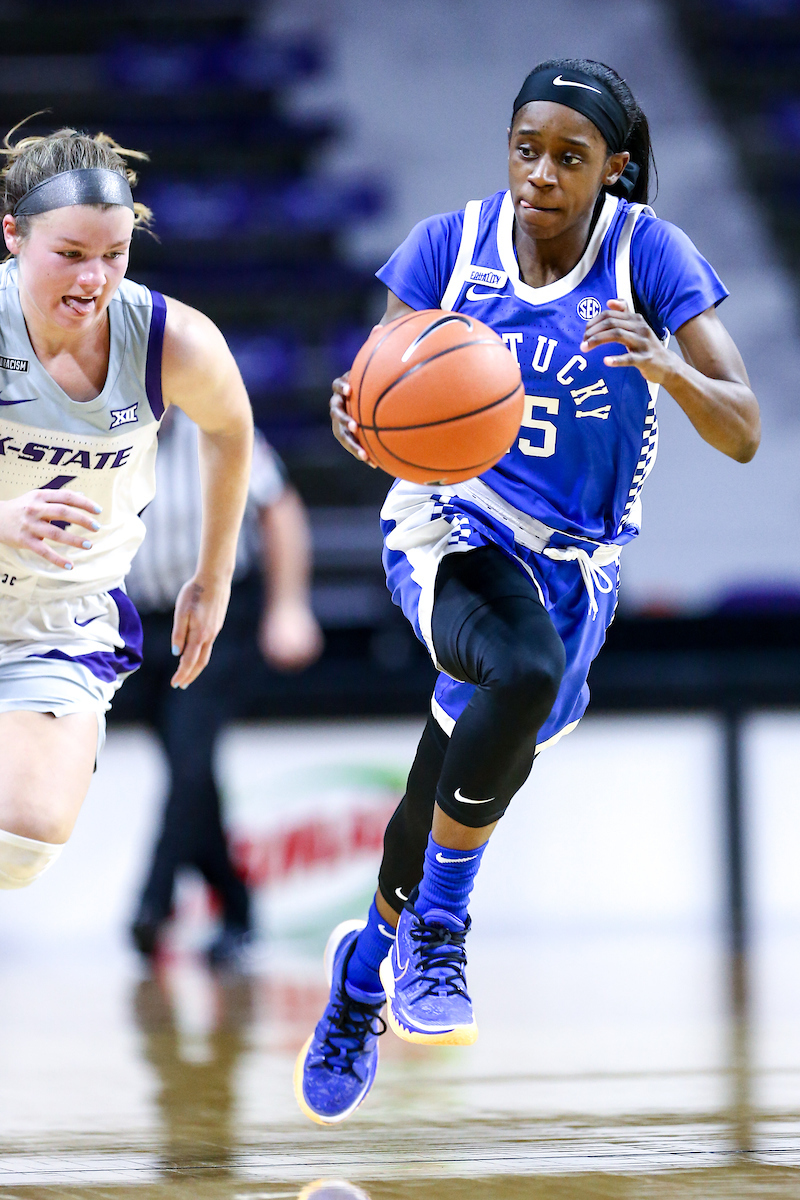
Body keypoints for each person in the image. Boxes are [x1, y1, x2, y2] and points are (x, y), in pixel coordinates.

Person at [294, 57, 761, 1125]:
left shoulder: (648, 256)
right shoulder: (448, 248)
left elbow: (741, 429)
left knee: (446, 783)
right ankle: (440, 934)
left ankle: (364, 970)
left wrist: (668, 368)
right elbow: (378, 384)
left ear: (613, 168)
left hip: (570, 567)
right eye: (525, 149)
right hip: (451, 523)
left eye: (568, 157)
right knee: (518, 666)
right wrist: (356, 416)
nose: (540, 173)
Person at [0, 125, 253, 893]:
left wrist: (213, 577)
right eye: (71, 253)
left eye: (114, 254)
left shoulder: (170, 339)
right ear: (12, 235)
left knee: (24, 840)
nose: (93, 278)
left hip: (57, 619)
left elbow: (230, 429)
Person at [123, 404, 322, 966]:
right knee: (190, 773)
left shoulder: (217, 418)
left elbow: (279, 507)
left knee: (189, 758)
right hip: (140, 625)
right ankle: (237, 908)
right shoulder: (102, 431)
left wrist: (290, 606)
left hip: (218, 619)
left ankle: (152, 903)